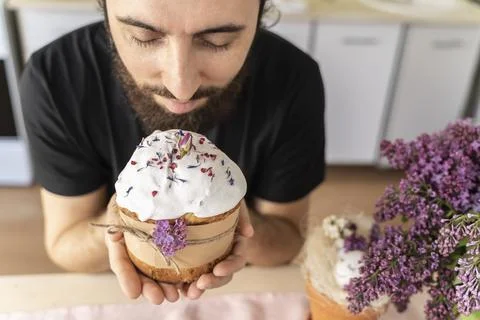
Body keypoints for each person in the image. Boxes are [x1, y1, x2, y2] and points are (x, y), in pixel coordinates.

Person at [19, 0, 325, 305]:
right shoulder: (56, 77)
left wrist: (224, 219)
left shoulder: (294, 78)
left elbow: (287, 240)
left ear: (260, 16)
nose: (181, 87)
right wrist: (125, 219)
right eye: (144, 37)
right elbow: (65, 246)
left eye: (219, 41)